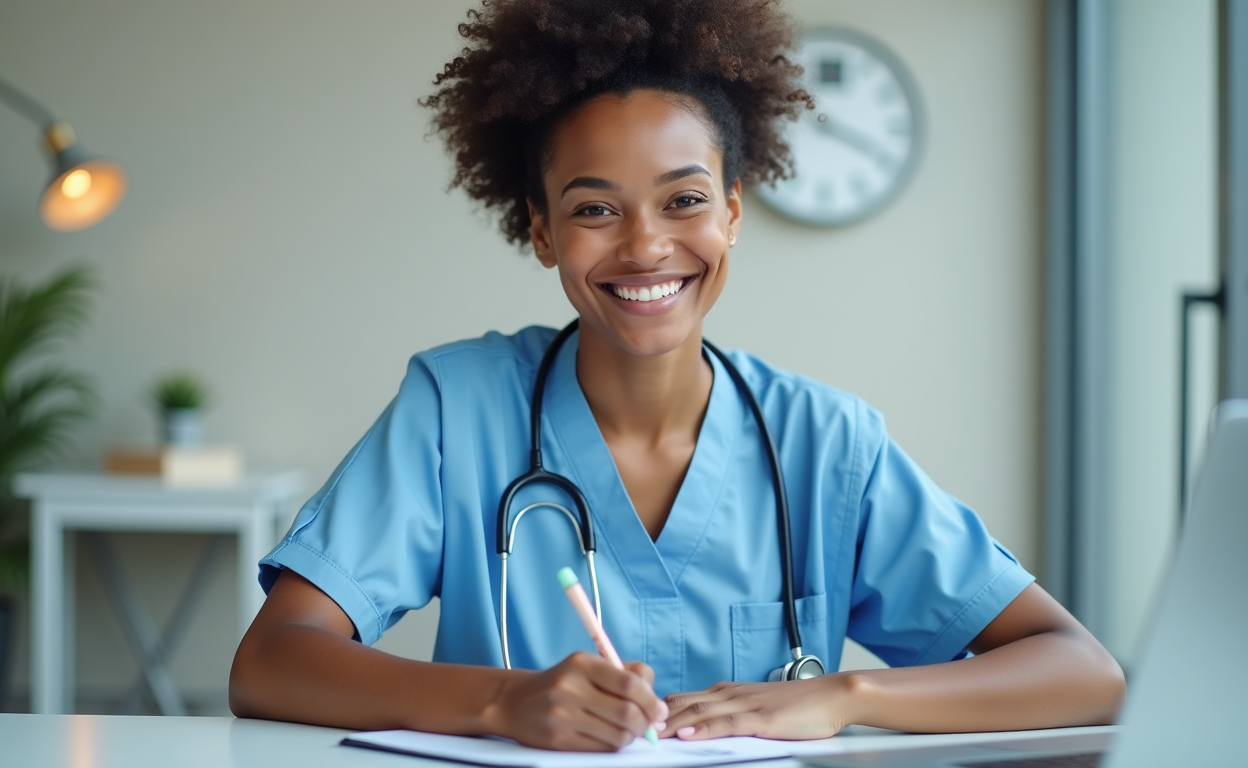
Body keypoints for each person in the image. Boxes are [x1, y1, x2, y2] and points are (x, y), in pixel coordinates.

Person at [229, 0, 1125, 752]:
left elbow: (1082, 672)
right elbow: (271, 661)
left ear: (733, 213)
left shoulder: (827, 442)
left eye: (685, 199)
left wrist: (848, 695)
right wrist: (502, 704)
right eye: (594, 209)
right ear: (540, 231)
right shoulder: (454, 409)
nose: (646, 244)